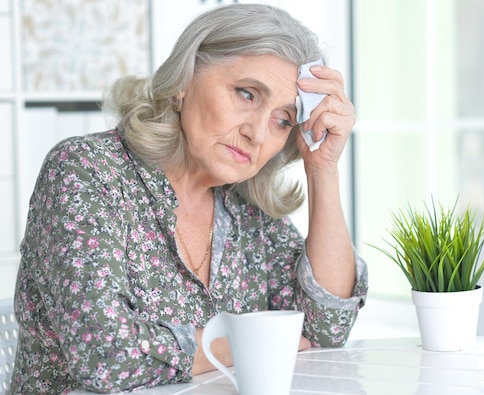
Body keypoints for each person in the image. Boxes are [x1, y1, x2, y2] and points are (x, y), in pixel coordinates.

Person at [10, 3, 368, 394]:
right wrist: (244, 343)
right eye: (246, 94)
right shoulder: (86, 171)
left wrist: (322, 168)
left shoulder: (247, 206)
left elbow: (325, 330)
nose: (258, 133)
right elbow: (105, 353)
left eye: (283, 119)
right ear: (184, 80)